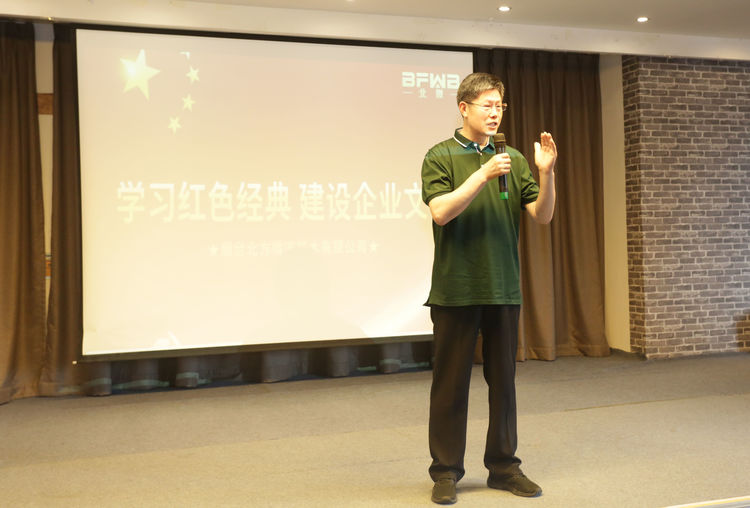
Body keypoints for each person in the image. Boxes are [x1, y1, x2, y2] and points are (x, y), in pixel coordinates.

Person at [421, 72, 557, 505]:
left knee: (504, 385)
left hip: (502, 287)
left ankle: (504, 467)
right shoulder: (440, 155)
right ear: (464, 108)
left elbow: (542, 215)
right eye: (487, 105)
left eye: (500, 106)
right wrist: (482, 174)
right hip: (456, 289)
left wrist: (546, 173)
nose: (495, 113)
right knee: (450, 386)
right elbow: (441, 212)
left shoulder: (512, 158)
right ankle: (446, 471)